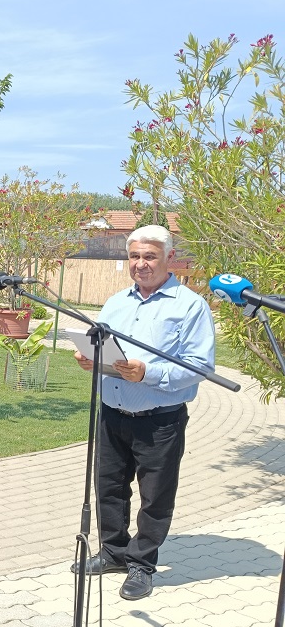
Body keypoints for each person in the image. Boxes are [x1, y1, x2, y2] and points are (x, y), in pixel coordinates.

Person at [72, 224, 215, 600]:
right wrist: (92, 359)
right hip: (112, 413)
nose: (141, 263)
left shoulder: (190, 305)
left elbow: (201, 366)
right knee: (109, 489)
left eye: (149, 256)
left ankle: (141, 565)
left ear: (169, 257)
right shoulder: (117, 302)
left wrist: (149, 372)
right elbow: (102, 346)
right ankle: (114, 552)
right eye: (134, 255)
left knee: (155, 497)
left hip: (159, 420)